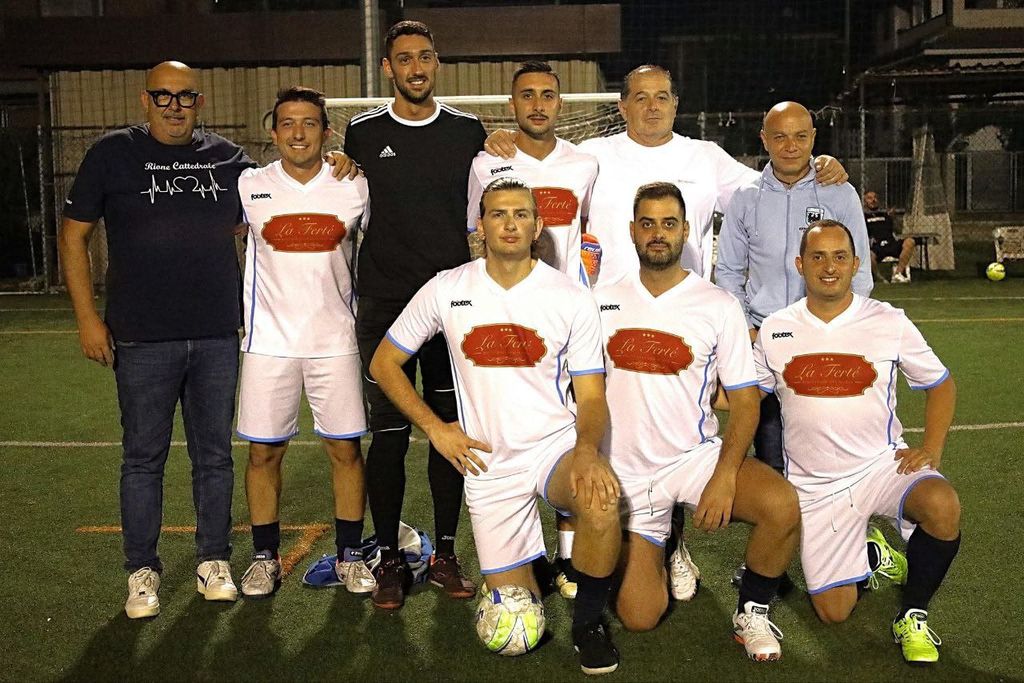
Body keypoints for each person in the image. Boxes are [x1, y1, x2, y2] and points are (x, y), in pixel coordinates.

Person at [370, 177, 622, 675]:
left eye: (521, 214)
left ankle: (588, 624)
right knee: (516, 617)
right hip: (488, 465)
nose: (510, 223)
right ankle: (533, 569)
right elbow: (383, 363)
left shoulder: (570, 296)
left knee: (601, 502)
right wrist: (437, 428)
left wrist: (587, 452)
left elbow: (592, 396)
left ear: (538, 226)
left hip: (553, 449)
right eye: (499, 214)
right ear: (480, 226)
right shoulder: (447, 289)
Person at [58, 61, 254, 617]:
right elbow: (73, 236)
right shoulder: (112, 153)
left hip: (216, 334)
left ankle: (213, 560)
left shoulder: (230, 160)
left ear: (199, 102)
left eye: (185, 96)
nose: (174, 106)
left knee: (214, 457)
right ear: (144, 101)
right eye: (162, 96)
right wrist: (87, 318)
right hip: (142, 338)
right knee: (143, 459)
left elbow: (284, 193)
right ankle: (141, 571)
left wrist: (337, 162)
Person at [596, 182, 799, 662]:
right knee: (640, 616)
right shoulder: (601, 301)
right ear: (632, 231)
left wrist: (725, 476)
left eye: (669, 224)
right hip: (625, 471)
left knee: (782, 506)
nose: (658, 233)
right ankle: (662, 543)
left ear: (686, 231)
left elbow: (745, 402)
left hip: (693, 460)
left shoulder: (717, 304)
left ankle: (751, 610)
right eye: (648, 224)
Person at [754, 220, 960, 665]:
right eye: (818, 257)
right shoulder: (776, 329)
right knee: (834, 612)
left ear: (855, 264)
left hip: (881, 467)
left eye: (839, 257)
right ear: (800, 264)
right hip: (816, 487)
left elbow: (940, 384)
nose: (829, 267)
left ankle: (913, 614)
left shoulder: (888, 321)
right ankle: (871, 554)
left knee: (942, 505)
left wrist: (932, 450)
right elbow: (744, 394)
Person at [342, 20, 488, 610]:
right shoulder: (362, 134)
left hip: (451, 305)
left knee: (450, 429)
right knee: (390, 433)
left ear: (437, 62)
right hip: (384, 302)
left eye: (425, 56)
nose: (416, 68)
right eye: (404, 59)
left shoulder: (467, 131)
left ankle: (445, 553)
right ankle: (388, 559)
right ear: (388, 68)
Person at [466, 60, 600, 598]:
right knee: (514, 434)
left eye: (547, 94)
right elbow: (473, 236)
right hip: (507, 323)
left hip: (567, 319)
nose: (538, 104)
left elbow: (591, 234)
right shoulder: (486, 163)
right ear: (512, 104)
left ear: (560, 104)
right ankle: (524, 550)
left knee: (568, 430)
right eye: (527, 95)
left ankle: (568, 560)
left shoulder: (585, 164)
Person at [234, 87, 373, 598]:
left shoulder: (354, 185)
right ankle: (264, 558)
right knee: (263, 454)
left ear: (326, 132)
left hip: (335, 341)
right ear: (273, 132)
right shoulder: (249, 185)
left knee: (345, 450)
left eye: (309, 123)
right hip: (268, 343)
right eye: (288, 123)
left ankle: (350, 556)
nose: (298, 133)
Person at [716, 101, 873, 475]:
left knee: (834, 454)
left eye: (801, 136)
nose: (791, 146)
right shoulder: (746, 197)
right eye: (780, 137)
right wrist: (748, 330)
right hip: (766, 343)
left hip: (825, 340)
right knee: (772, 457)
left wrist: (839, 329)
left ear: (814, 138)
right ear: (764, 139)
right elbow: (728, 272)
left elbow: (861, 272)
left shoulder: (840, 193)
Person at [864, 190, 916, 284]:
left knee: (910, 241)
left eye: (875, 197)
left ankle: (897, 274)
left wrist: (893, 218)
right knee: (867, 255)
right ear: (865, 202)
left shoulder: (885, 214)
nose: (873, 200)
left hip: (891, 243)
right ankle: (880, 279)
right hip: (877, 247)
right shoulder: (863, 217)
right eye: (870, 198)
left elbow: (898, 230)